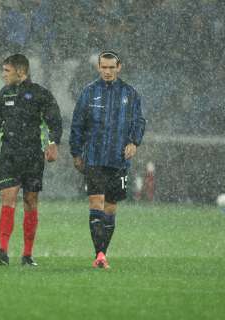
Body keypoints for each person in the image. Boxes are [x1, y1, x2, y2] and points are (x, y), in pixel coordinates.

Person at [0, 53, 62, 266]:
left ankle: (27, 255)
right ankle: (3, 251)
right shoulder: (2, 96)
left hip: (33, 156)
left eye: (7, 71)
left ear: (21, 72)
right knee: (8, 198)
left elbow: (55, 119)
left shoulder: (39, 94)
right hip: (9, 156)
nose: (3, 74)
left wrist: (53, 143)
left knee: (30, 201)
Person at [69, 50, 146, 269]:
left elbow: (139, 121)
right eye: (104, 67)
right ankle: (100, 254)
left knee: (111, 208)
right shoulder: (89, 92)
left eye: (112, 67)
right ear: (98, 67)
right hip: (94, 158)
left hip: (118, 160)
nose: (108, 71)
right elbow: (77, 124)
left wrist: (134, 142)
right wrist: (76, 152)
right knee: (96, 203)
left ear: (119, 67)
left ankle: (102, 252)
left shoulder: (130, 94)